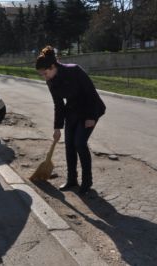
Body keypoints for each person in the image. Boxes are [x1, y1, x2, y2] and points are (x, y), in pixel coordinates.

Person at [35, 46, 106, 195]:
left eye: (46, 73)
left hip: (90, 109)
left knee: (79, 143)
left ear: (53, 66)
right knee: (69, 145)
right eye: (42, 75)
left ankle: (87, 182)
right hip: (72, 110)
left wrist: (91, 117)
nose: (45, 77)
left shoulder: (74, 70)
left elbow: (91, 93)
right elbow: (58, 104)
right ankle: (72, 179)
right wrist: (57, 127)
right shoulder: (51, 81)